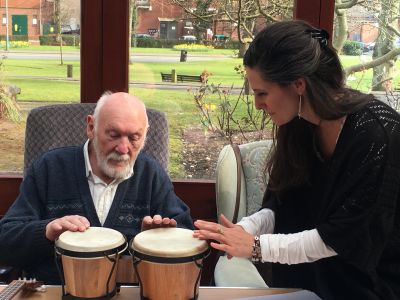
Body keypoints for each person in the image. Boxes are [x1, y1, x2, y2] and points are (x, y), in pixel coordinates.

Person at [193, 20, 400, 299]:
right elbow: (281, 204)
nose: (257, 104)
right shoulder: (300, 121)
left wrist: (253, 246)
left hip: (370, 287)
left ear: (298, 84)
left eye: (262, 93)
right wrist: (240, 230)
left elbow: (337, 239)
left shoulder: (377, 135)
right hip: (309, 284)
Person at [0, 91, 193, 284]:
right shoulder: (49, 168)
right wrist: (46, 232)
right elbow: (5, 241)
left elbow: (187, 239)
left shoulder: (150, 174)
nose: (123, 148)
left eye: (134, 137)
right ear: (91, 127)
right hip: (56, 292)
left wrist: (152, 240)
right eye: (114, 135)